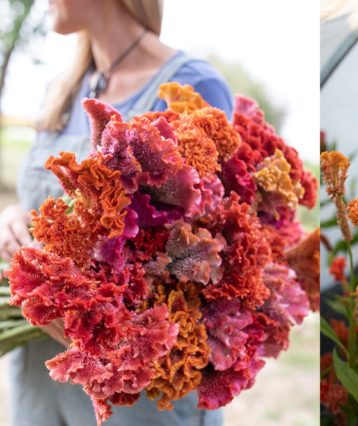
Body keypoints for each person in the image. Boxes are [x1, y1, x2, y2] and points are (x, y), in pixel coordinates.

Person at [0, 0, 232, 424]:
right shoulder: (62, 88)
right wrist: (11, 218)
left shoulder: (189, 84)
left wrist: (87, 308)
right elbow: (34, 202)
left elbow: (208, 256)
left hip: (133, 392)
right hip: (39, 376)